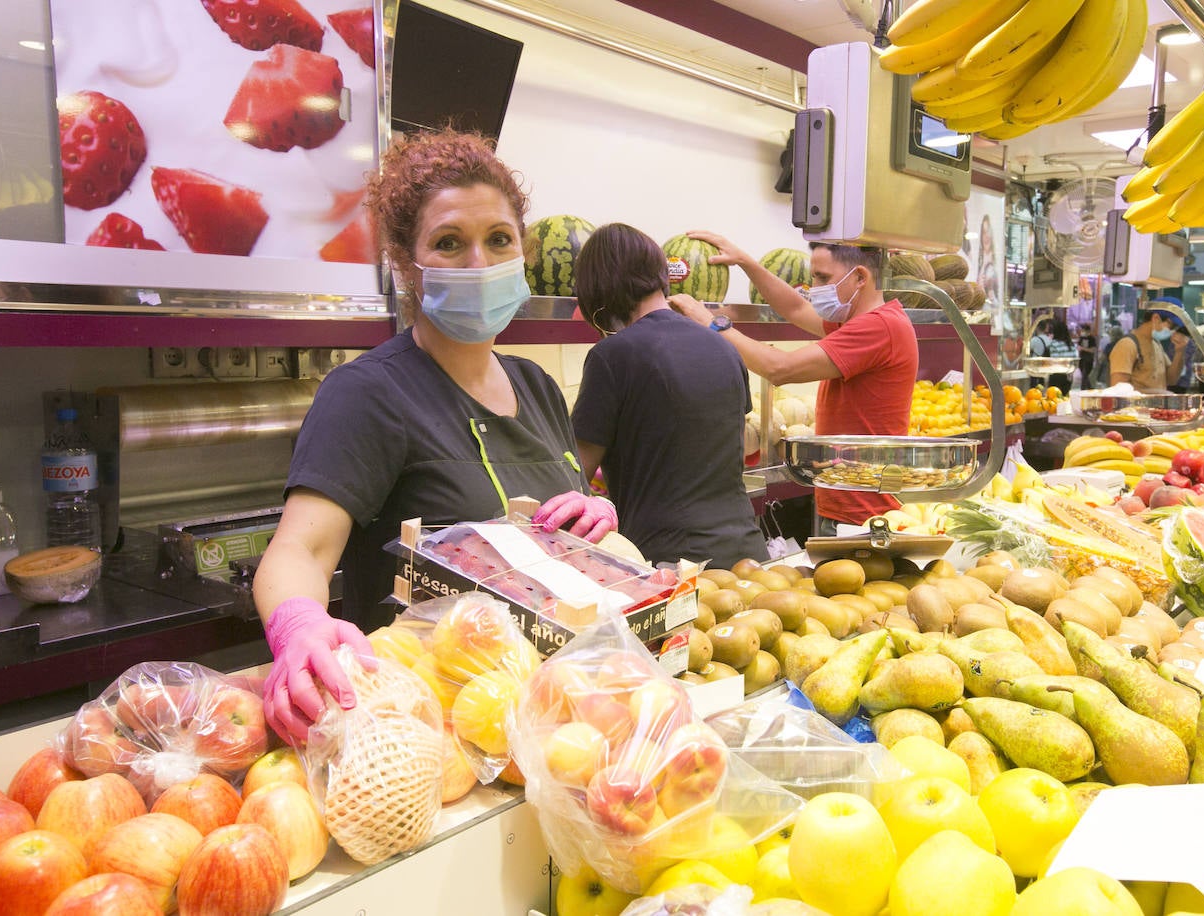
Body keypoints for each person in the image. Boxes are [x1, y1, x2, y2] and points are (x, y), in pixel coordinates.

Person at [252, 129, 617, 745]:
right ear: (407, 263)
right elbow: (299, 552)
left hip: (556, 721)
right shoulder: (369, 393)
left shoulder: (538, 386)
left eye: (499, 239)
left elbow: (554, 548)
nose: (480, 263)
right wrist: (299, 627)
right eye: (450, 243)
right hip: (427, 731)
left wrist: (594, 526)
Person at [669, 231, 918, 536]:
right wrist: (746, 262)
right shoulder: (860, 320)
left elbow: (779, 368)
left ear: (860, 277)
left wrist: (711, 322)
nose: (814, 289)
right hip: (850, 501)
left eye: (822, 277)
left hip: (861, 515)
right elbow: (797, 309)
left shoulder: (877, 328)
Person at [570, 223, 767, 568]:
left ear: (597, 291)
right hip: (746, 553)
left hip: (669, 563)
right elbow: (721, 448)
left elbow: (575, 474)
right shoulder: (723, 347)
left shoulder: (612, 354)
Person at [1107, 300, 1189, 393]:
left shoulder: (1156, 344)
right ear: (1156, 318)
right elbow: (1118, 390)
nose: (1173, 331)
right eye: (1172, 326)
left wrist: (1179, 352)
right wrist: (1157, 393)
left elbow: (1171, 380)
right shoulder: (1127, 345)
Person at [1046, 320, 1076, 395]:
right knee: (1064, 398)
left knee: (1054, 399)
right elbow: (1074, 359)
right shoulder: (1070, 344)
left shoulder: (1054, 344)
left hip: (1056, 375)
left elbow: (1054, 360)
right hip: (1068, 375)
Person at [1076, 323, 1097, 389]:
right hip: (1081, 359)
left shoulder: (1092, 339)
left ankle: (1083, 389)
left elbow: (1093, 350)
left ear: (1088, 331)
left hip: (1088, 359)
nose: (1082, 332)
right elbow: (1078, 346)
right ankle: (1090, 388)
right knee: (1084, 375)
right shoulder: (1081, 338)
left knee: (1085, 375)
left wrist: (1083, 349)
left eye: (1084, 330)